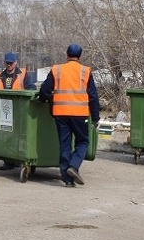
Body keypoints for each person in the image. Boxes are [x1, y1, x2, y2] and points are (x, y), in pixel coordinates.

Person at [38, 44, 100, 187]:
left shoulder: (57, 70)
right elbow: (93, 96)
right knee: (83, 142)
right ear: (80, 56)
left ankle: (67, 179)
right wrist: (95, 117)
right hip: (79, 114)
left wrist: (42, 99)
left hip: (61, 113)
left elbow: (45, 90)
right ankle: (74, 166)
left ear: (67, 55)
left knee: (65, 144)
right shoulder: (86, 71)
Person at [0, 52, 37, 170]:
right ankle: (9, 161)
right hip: (3, 111)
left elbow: (32, 89)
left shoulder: (23, 74)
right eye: (7, 63)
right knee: (5, 135)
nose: (9, 65)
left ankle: (20, 159)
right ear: (5, 62)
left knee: (19, 136)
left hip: (20, 111)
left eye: (11, 63)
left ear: (16, 62)